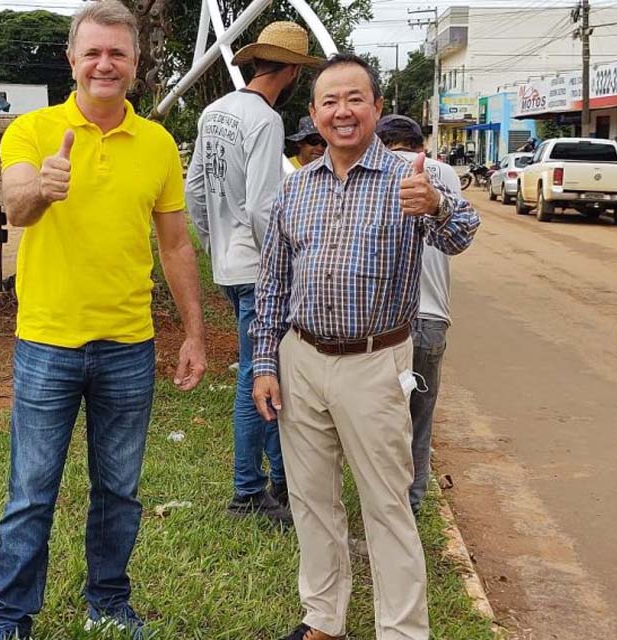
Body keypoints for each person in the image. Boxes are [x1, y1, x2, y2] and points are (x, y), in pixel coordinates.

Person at [0, 2, 206, 638]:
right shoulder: (32, 131)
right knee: (31, 492)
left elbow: (175, 244)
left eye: (117, 53)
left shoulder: (159, 144)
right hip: (48, 343)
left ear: (135, 65)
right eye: (93, 52)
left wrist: (193, 332)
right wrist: (43, 186)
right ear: (72, 60)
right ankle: (11, 617)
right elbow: (15, 207)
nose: (104, 63)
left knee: (119, 490)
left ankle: (108, 602)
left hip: (128, 345)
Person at [250, 53, 480, 640]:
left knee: (386, 505)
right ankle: (323, 620)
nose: (343, 112)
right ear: (314, 114)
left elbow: (460, 235)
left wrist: (437, 205)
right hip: (301, 360)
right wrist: (265, 364)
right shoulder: (295, 190)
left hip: (375, 363)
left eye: (355, 99)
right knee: (311, 500)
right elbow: (273, 285)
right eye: (330, 101)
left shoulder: (409, 182)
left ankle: (402, 630)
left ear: (377, 108)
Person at [187, 21, 321, 525]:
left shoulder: (214, 111)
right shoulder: (265, 121)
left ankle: (282, 483)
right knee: (257, 375)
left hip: (227, 264)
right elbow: (265, 207)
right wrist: (278, 266)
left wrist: (213, 242)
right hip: (258, 267)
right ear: (289, 71)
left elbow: (195, 190)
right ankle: (247, 490)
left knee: (266, 371)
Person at [376, 114, 462, 517]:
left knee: (379, 424)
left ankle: (382, 509)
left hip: (388, 322)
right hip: (433, 320)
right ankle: (409, 509)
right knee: (419, 423)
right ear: (420, 146)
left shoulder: (379, 173)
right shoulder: (445, 174)